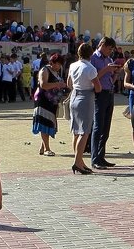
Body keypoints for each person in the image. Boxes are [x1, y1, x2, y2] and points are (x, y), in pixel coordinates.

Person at [69, 42, 104, 174]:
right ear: (91, 54)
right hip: (86, 97)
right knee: (85, 131)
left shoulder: (73, 65)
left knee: (76, 131)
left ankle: (78, 160)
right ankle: (77, 162)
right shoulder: (90, 68)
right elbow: (98, 87)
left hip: (74, 95)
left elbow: (69, 83)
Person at [89, 37, 120, 169]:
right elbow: (93, 77)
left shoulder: (109, 60)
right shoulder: (93, 58)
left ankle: (101, 156)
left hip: (109, 92)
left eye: (112, 49)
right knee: (98, 126)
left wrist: (116, 73)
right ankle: (94, 158)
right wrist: (106, 70)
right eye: (109, 48)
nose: (110, 51)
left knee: (106, 128)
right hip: (99, 94)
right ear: (102, 45)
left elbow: (110, 78)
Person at [32, 52, 67, 157]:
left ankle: (43, 146)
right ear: (52, 62)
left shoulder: (56, 71)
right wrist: (58, 84)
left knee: (48, 123)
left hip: (52, 102)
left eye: (61, 64)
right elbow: (43, 85)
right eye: (58, 64)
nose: (59, 66)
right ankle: (47, 148)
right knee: (44, 123)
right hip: (43, 101)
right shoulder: (45, 70)